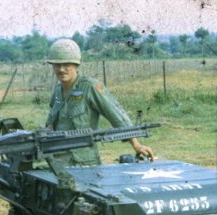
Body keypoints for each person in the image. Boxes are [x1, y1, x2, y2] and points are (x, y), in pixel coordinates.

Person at [45, 38, 154, 166]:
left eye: (66, 64)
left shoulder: (90, 87)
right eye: (57, 65)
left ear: (76, 65)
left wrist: (136, 145)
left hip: (83, 163)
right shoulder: (58, 91)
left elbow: (117, 116)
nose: (61, 69)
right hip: (58, 161)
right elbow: (52, 125)